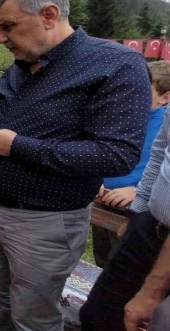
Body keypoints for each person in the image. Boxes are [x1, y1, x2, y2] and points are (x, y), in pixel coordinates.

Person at [0, 0, 151, 331]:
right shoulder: (20, 63)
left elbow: (116, 154)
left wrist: (15, 145)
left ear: (48, 15)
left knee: (33, 315)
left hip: (45, 222)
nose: (0, 38)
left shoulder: (117, 65)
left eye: (8, 26)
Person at [80, 107, 170, 331]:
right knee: (98, 314)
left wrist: (152, 292)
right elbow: (159, 154)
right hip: (150, 225)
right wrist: (136, 213)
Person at [92, 60, 170, 267]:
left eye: (144, 90)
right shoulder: (121, 114)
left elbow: (160, 167)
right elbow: (103, 149)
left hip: (134, 208)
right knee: (102, 258)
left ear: (165, 97)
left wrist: (137, 191)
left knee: (122, 263)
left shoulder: (164, 125)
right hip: (102, 196)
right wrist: (94, 178)